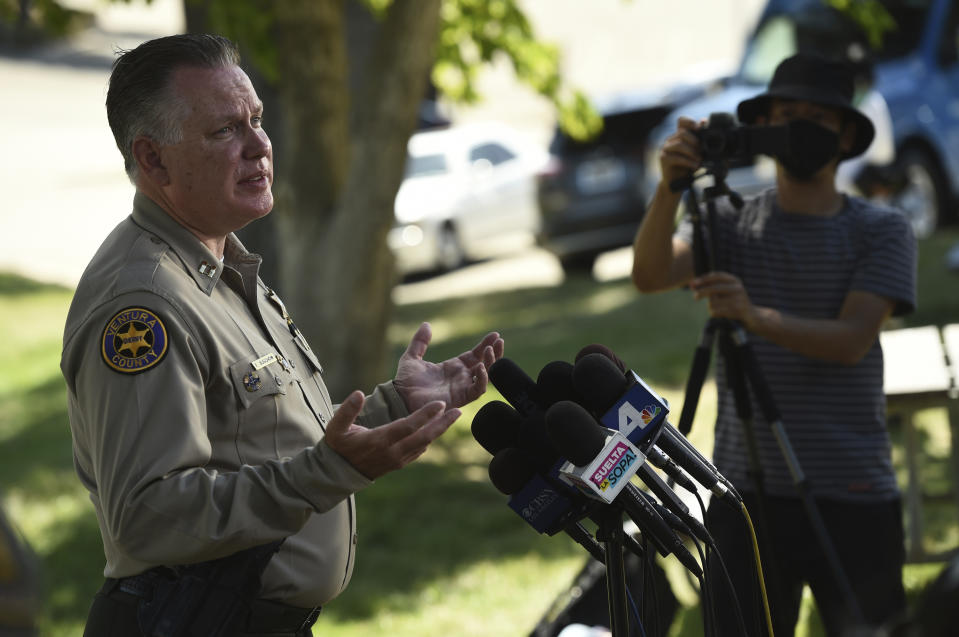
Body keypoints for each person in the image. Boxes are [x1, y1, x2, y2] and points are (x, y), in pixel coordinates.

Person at [60, 33, 504, 637]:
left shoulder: (216, 265)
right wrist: (326, 472)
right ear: (153, 159)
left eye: (257, 120)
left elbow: (259, 443)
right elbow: (149, 517)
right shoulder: (144, 305)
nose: (260, 146)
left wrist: (393, 408)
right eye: (224, 131)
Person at [631, 53, 916, 637]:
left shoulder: (881, 230)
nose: (801, 128)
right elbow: (651, 272)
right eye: (787, 115)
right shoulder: (733, 222)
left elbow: (853, 341)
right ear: (763, 131)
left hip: (852, 489)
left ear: (845, 135)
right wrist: (669, 190)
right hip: (745, 494)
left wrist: (753, 316)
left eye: (817, 117)